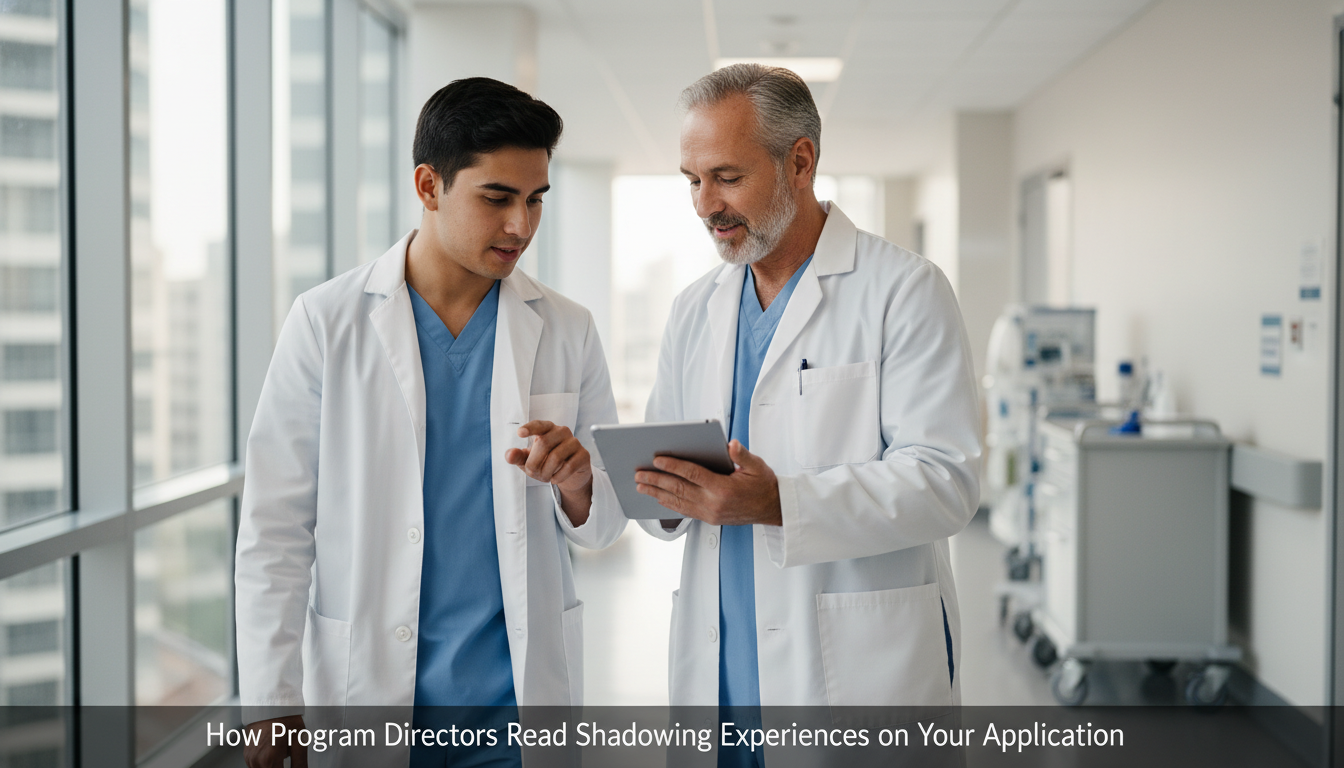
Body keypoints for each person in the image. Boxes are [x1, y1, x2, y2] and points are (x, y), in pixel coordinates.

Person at [235, 77, 625, 767]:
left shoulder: (567, 329)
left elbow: (603, 520)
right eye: (497, 198)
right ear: (428, 185)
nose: (522, 226)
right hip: (373, 697)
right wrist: (272, 699)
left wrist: (579, 481)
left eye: (535, 200)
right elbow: (275, 527)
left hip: (515, 708)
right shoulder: (327, 323)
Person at [634, 63, 981, 763]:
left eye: (726, 177)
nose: (705, 205)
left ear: (800, 162)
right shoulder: (694, 309)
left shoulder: (904, 291)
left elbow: (947, 480)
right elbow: (661, 490)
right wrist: (640, 488)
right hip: (724, 674)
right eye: (692, 180)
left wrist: (780, 502)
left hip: (855, 674)